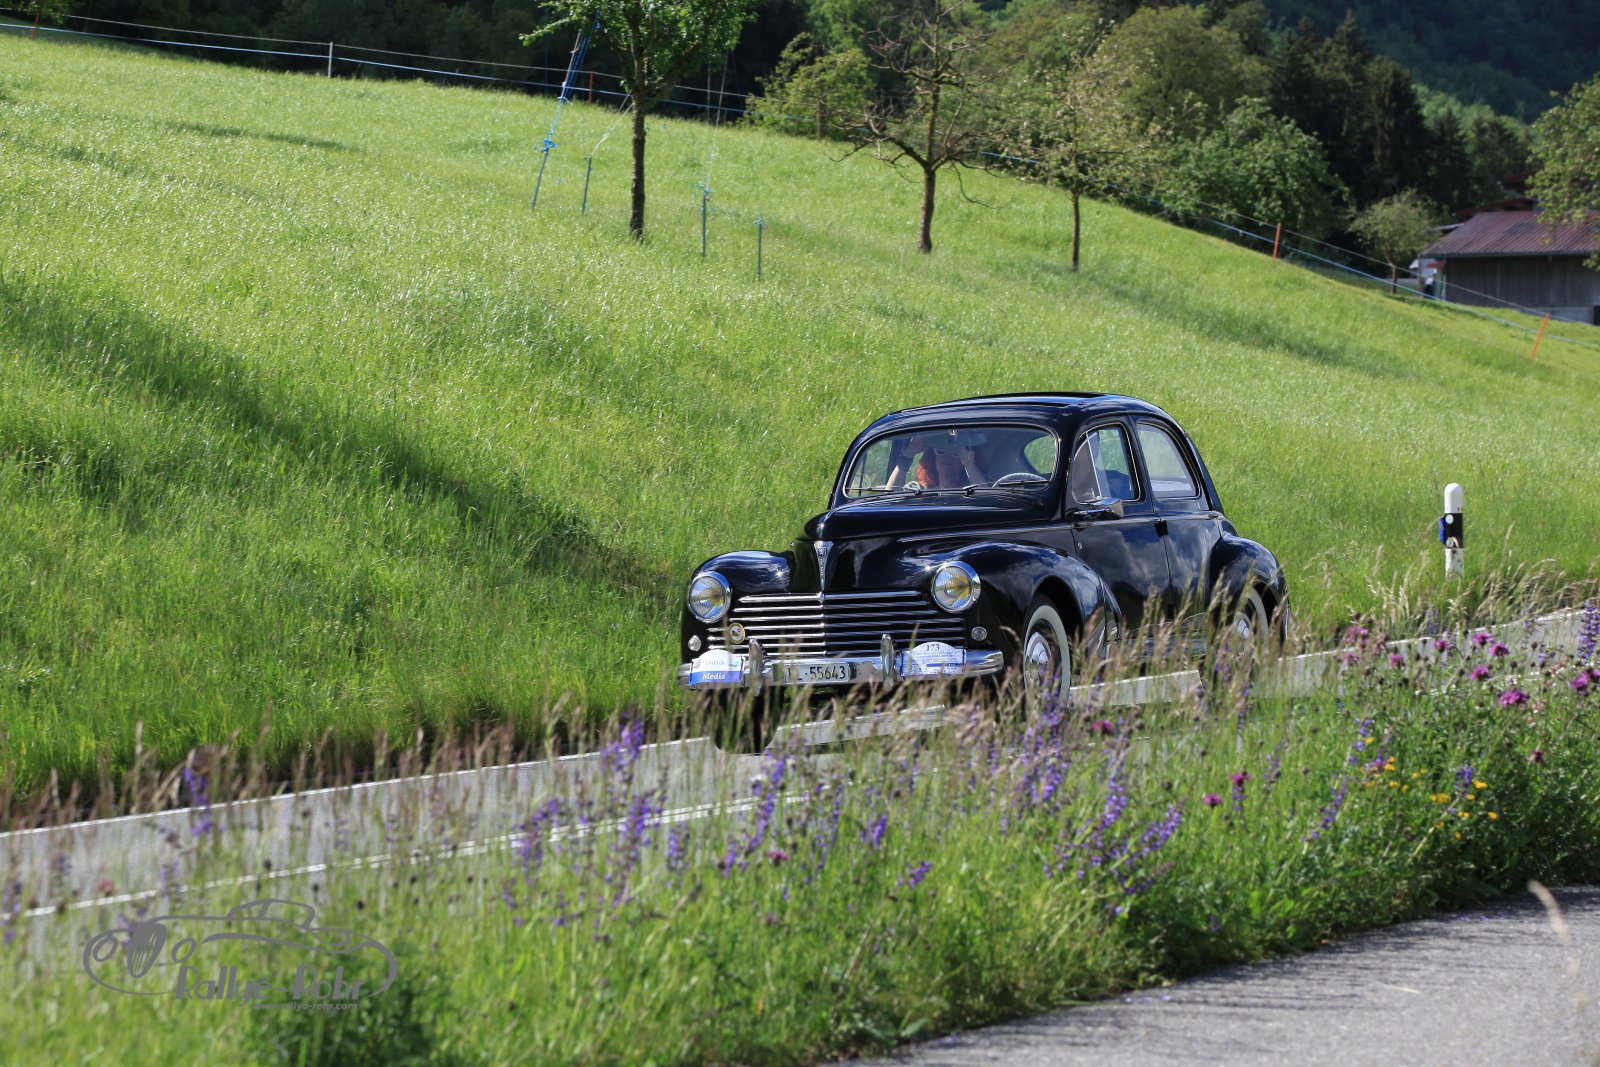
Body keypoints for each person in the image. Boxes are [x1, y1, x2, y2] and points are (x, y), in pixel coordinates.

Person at [886, 432, 988, 490]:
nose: (947, 457)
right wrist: (909, 454)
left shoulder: (972, 490)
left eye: (956, 454)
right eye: (941, 451)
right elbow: (890, 500)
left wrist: (969, 465)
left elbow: (985, 499)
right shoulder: (920, 491)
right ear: (932, 457)